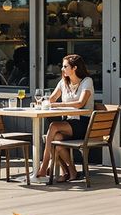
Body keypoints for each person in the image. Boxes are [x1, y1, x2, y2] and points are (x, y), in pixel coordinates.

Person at [37, 54, 95, 184]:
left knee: (53, 127)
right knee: (55, 138)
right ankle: (71, 172)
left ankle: (44, 164)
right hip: (69, 123)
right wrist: (43, 100)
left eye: (65, 66)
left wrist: (56, 104)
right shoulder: (64, 82)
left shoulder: (87, 81)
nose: (62, 69)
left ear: (74, 68)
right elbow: (51, 99)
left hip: (83, 123)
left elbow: (80, 104)